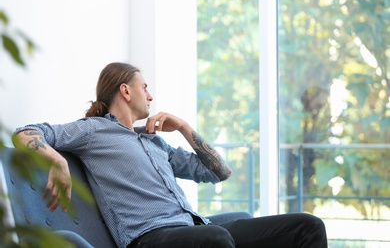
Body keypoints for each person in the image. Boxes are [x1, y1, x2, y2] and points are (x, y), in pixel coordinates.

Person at [13, 62, 328, 248]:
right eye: (144, 87)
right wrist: (55, 158)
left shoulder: (154, 143)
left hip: (193, 229)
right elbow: (26, 131)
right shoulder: (95, 131)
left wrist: (183, 127)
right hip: (149, 238)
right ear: (125, 91)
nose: (150, 96)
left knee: (308, 226)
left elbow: (220, 172)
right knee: (215, 240)